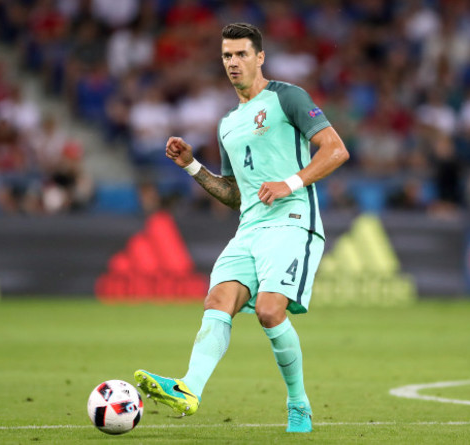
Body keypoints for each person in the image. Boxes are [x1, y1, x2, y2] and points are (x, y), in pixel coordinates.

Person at [134, 23, 349, 433]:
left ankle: (299, 404)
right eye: (227, 56)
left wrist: (289, 183)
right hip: (249, 228)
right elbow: (236, 194)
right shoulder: (227, 124)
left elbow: (336, 150)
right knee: (218, 301)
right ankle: (189, 389)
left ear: (260, 57)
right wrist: (193, 167)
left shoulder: (288, 97)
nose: (233, 62)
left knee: (270, 311)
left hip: (293, 221)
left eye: (241, 54)